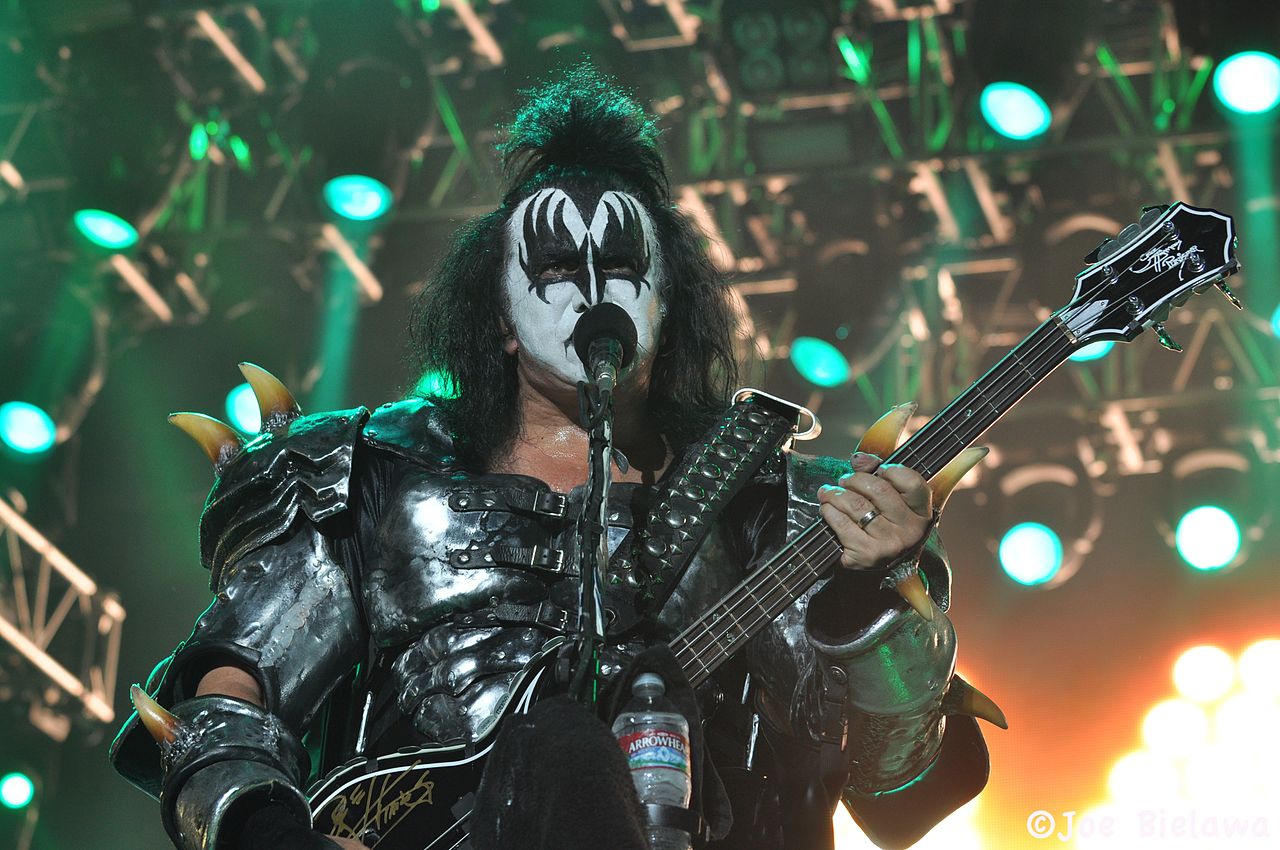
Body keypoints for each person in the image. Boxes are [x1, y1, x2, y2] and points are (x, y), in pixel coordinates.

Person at [109, 66, 999, 850]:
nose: (593, 290)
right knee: (560, 748)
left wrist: (868, 605)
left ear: (667, 307)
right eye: (555, 266)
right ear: (498, 315)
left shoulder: (778, 505)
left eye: (623, 265)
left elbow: (900, 797)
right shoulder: (375, 474)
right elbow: (227, 694)